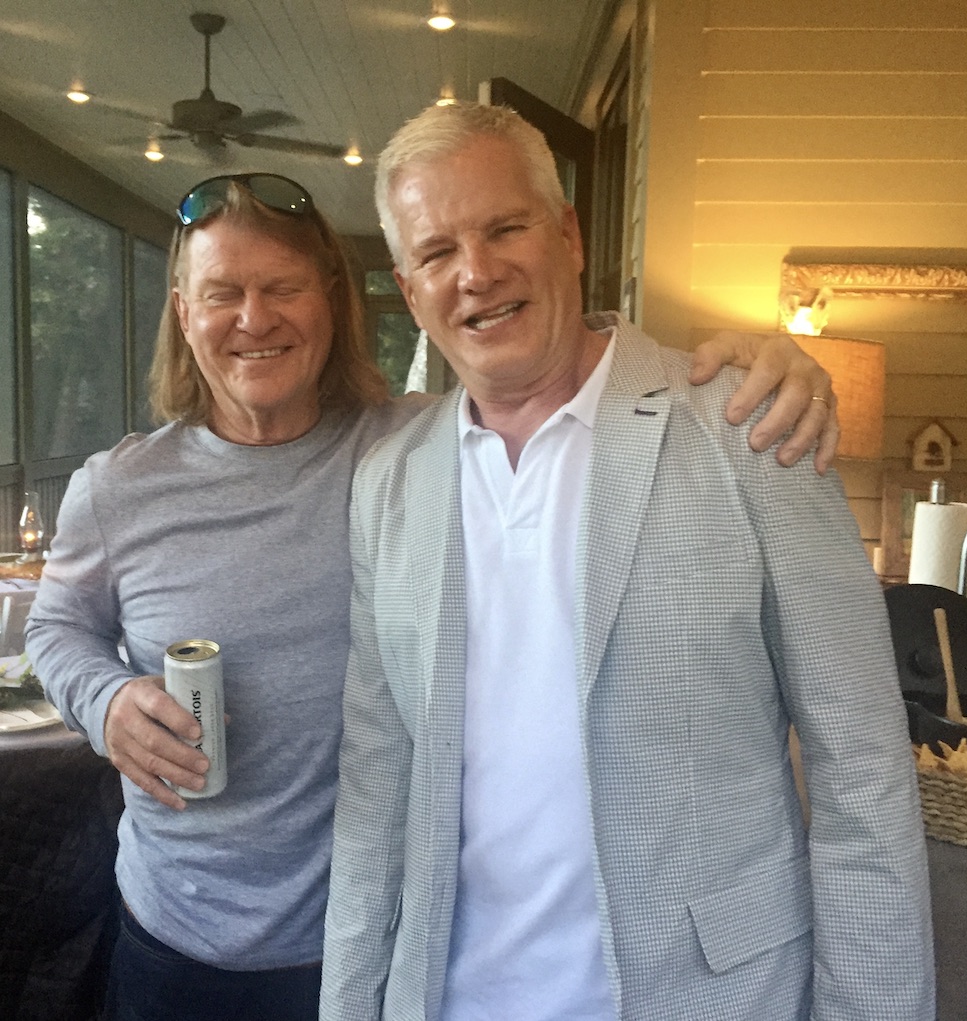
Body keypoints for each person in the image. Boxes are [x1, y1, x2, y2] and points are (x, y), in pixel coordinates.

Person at [25, 171, 832, 1021]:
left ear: (332, 303)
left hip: (387, 944)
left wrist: (762, 364)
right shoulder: (118, 487)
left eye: (283, 288)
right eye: (223, 293)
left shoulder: (422, 447)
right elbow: (57, 626)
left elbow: (559, 374)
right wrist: (105, 700)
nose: (254, 320)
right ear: (184, 313)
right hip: (177, 936)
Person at [319, 103, 935, 1021]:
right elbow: (378, 787)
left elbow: (863, 770)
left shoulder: (748, 425)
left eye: (505, 228)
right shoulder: (389, 483)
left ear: (569, 235)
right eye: (438, 252)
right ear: (411, 293)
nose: (477, 272)